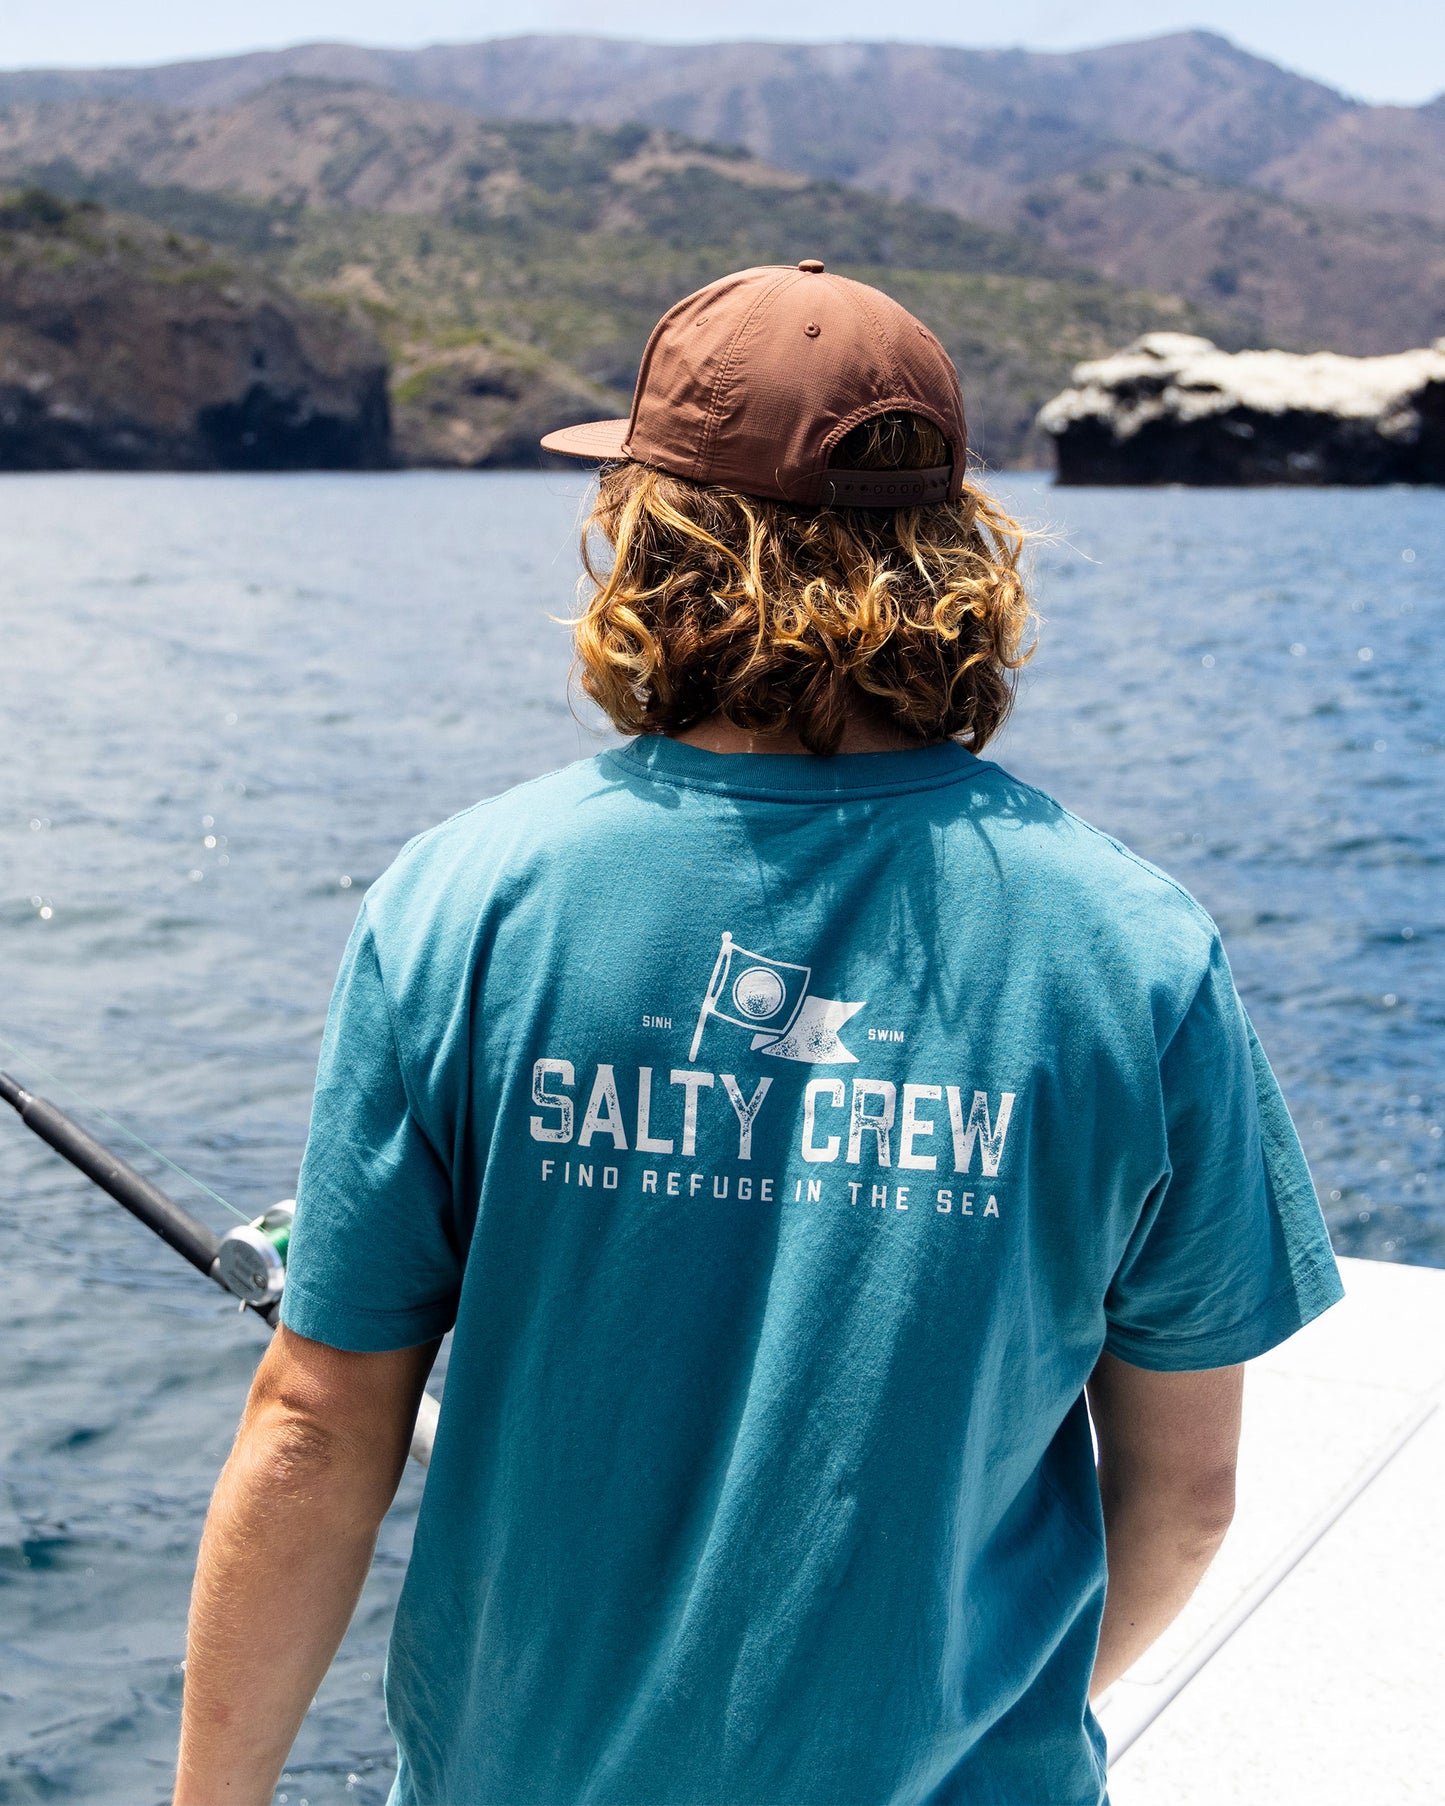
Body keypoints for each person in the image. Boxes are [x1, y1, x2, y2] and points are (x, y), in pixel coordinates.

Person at [173, 262, 1342, 1806]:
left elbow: (317, 1427)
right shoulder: (1135, 951)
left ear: (651, 534)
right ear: (953, 548)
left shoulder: (469, 901)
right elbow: (1183, 1500)